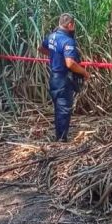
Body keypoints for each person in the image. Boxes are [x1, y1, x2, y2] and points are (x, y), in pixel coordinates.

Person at [39, 13, 90, 142]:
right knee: (63, 109)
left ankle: (59, 136)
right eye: (73, 26)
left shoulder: (52, 36)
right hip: (63, 79)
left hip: (54, 78)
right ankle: (61, 140)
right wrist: (84, 72)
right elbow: (70, 63)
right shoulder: (68, 41)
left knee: (58, 107)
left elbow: (41, 48)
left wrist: (55, 56)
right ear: (70, 25)